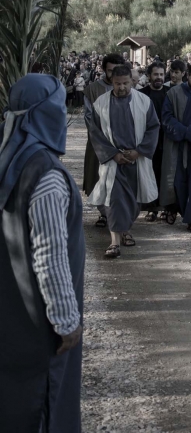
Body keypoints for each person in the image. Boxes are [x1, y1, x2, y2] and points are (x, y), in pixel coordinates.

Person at [0, 75, 85, 433]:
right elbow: (49, 257)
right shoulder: (45, 175)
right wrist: (66, 322)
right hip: (41, 330)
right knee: (44, 408)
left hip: (11, 320)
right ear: (43, 113)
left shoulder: (9, 161)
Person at [88, 65, 160, 258]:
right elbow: (95, 133)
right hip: (114, 160)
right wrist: (113, 154)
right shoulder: (101, 103)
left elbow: (153, 128)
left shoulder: (144, 102)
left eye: (125, 83)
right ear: (111, 82)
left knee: (133, 202)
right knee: (114, 199)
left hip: (136, 160)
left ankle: (126, 230)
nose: (121, 88)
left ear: (132, 81)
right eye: (117, 84)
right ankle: (114, 243)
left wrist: (139, 151)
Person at [160, 62, 191, 233]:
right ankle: (173, 210)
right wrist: (183, 132)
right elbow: (166, 117)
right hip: (176, 146)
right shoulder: (173, 93)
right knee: (175, 180)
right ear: (187, 76)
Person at [82, 54, 125, 226]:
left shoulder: (127, 87)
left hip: (121, 143)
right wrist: (103, 138)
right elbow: (88, 117)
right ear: (103, 70)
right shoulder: (93, 89)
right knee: (98, 178)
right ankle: (104, 214)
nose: (113, 74)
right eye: (110, 70)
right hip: (98, 143)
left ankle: (117, 214)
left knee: (118, 181)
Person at [141, 62, 177, 223]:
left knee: (167, 175)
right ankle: (151, 209)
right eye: (156, 74)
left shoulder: (171, 93)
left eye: (162, 75)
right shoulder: (141, 94)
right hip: (148, 141)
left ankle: (167, 208)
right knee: (150, 175)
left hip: (167, 141)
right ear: (149, 76)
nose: (159, 78)